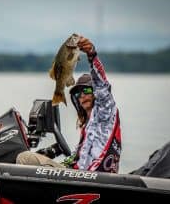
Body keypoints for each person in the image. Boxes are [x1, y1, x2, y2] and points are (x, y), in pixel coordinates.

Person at [16, 35, 122, 173]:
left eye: (87, 90)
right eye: (78, 93)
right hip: (79, 176)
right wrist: (50, 154)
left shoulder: (106, 114)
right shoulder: (88, 125)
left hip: (96, 179)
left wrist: (92, 54)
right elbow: (77, 159)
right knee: (30, 159)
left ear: (95, 92)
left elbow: (102, 86)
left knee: (24, 158)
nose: (82, 95)